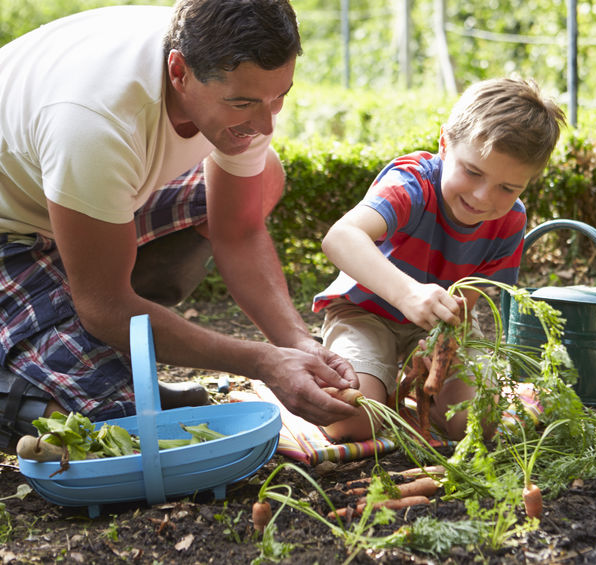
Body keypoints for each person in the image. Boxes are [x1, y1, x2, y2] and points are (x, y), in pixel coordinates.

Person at [0, 0, 359, 454]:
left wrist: (296, 343)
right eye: (243, 102)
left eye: (279, 96)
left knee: (264, 175)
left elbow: (239, 231)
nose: (266, 121)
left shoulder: (241, 82)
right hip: (13, 228)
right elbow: (104, 305)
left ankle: (106, 342)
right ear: (179, 72)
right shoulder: (96, 123)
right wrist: (264, 362)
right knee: (118, 427)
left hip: (79, 198)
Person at [312, 78, 566, 442]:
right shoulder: (411, 183)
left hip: (440, 325)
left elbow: (467, 303)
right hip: (365, 312)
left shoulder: (511, 222)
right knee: (350, 421)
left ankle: (401, 389)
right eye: (473, 172)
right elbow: (340, 238)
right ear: (444, 144)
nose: (482, 197)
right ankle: (374, 383)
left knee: (475, 425)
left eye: (508, 188)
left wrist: (441, 343)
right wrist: (407, 295)